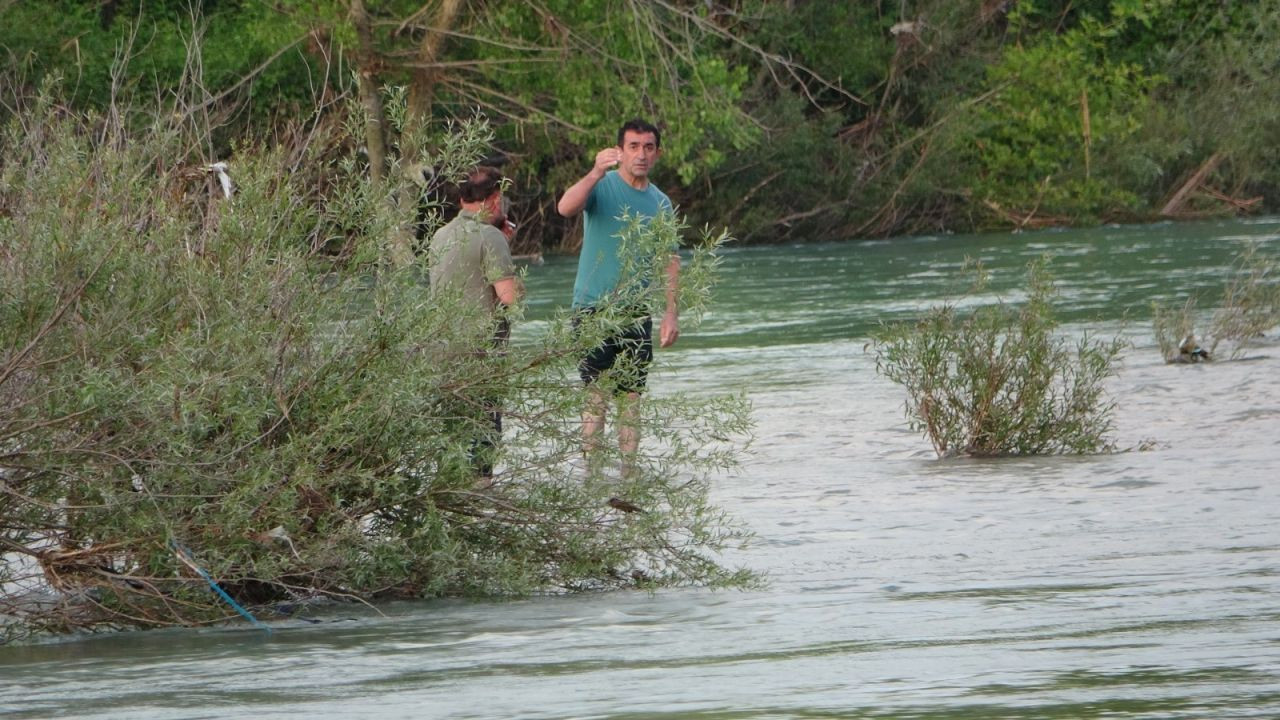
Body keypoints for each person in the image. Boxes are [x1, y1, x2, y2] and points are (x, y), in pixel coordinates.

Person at [556, 118, 680, 472]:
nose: (641, 154)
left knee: (630, 397)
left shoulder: (661, 203)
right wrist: (595, 172)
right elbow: (565, 208)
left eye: (648, 147)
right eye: (634, 146)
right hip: (593, 307)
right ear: (620, 151)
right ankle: (591, 473)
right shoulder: (602, 186)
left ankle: (629, 474)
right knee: (596, 394)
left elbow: (669, 259)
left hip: (635, 312)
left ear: (657, 153)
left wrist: (671, 313)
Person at [428, 165, 522, 478]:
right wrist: (505, 249)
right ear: (494, 199)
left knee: (451, 441)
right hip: (480, 358)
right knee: (483, 441)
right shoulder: (490, 236)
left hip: (442, 355)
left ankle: (449, 499)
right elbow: (509, 297)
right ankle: (482, 498)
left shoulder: (439, 236)